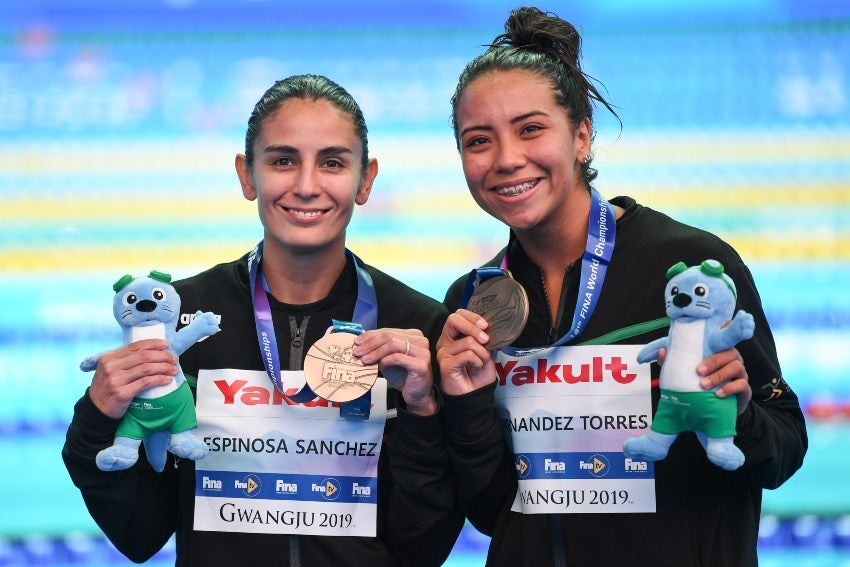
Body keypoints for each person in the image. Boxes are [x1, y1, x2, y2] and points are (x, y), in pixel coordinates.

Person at [436, 7, 807, 566]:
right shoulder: (474, 306)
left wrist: (744, 416)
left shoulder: (691, 269)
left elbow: (783, 452)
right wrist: (463, 408)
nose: (507, 159)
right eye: (479, 140)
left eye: (531, 129)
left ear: (581, 136)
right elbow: (496, 514)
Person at [63, 74, 464, 567]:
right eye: (282, 161)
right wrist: (96, 420)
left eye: (332, 162)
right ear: (247, 175)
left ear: (366, 179)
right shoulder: (184, 318)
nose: (306, 186)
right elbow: (140, 531)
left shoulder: (414, 328)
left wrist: (423, 411)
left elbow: (421, 547)